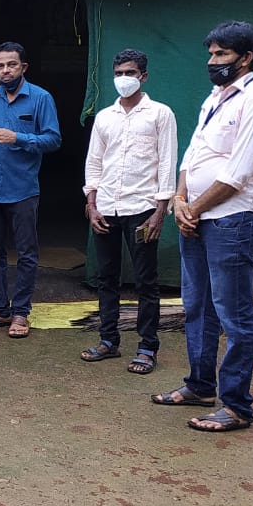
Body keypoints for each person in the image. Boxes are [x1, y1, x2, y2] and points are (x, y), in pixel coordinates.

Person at [152, 21, 253, 432]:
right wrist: (179, 199)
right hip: (196, 217)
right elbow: (191, 156)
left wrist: (194, 208)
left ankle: (237, 406)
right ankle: (200, 385)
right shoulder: (214, 98)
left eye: (221, 54)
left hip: (232, 220)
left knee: (234, 315)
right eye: (210, 54)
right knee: (198, 308)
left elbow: (239, 172)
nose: (212, 61)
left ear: (246, 57)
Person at [80, 49, 177, 374]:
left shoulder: (160, 114)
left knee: (145, 282)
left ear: (144, 77)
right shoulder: (105, 117)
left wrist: (160, 210)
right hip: (106, 206)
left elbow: (167, 162)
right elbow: (94, 161)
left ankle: (147, 347)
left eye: (131, 73)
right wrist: (91, 203)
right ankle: (108, 341)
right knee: (107, 278)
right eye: (119, 73)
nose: (124, 79)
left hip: (142, 208)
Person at [0, 41, 61, 339]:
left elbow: (53, 139)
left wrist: (18, 137)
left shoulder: (41, 98)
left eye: (11, 65)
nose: (5, 70)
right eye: (0, 65)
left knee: (26, 252)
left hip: (23, 189)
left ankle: (21, 312)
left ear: (24, 67)